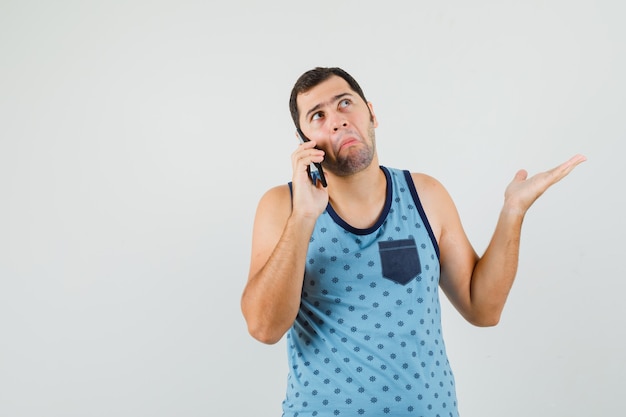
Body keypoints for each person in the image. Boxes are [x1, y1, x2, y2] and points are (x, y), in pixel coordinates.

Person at [241, 67, 586, 417]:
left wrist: (514, 210)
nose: (337, 121)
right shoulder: (282, 206)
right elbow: (264, 327)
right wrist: (303, 217)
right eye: (318, 116)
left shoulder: (426, 195)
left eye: (345, 103)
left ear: (372, 113)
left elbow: (483, 308)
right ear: (304, 142)